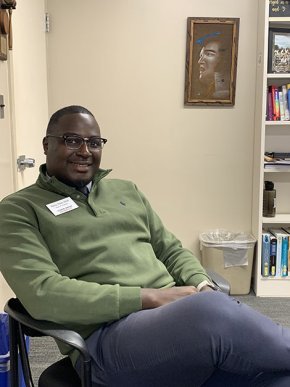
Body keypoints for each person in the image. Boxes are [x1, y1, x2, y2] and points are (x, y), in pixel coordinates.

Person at [1, 105, 290, 387]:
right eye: (72, 140)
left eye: (94, 142)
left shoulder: (126, 190)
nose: (85, 151)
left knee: (278, 377)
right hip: (105, 344)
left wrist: (202, 285)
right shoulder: (18, 209)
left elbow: (170, 249)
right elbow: (44, 293)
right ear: (46, 144)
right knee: (211, 312)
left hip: (179, 328)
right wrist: (150, 297)